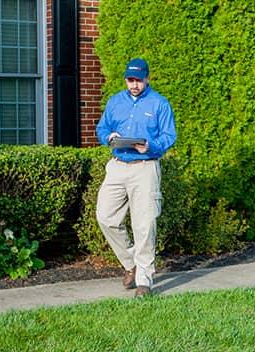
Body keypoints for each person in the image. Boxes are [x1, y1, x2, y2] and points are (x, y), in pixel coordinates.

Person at [96, 58, 177, 297]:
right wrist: (108, 137)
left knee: (144, 224)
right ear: (125, 80)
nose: (134, 85)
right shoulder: (115, 102)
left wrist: (150, 146)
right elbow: (101, 129)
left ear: (147, 79)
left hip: (145, 167)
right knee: (105, 217)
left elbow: (169, 136)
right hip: (118, 165)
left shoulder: (159, 103)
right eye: (130, 80)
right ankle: (131, 264)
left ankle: (144, 280)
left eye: (138, 80)